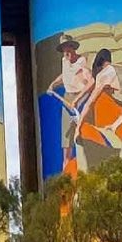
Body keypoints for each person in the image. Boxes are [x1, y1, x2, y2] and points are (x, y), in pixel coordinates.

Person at [47, 33, 95, 163]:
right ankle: (66, 169)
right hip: (67, 99)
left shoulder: (82, 62)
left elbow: (91, 82)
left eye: (68, 48)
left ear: (73, 48)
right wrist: (53, 84)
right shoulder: (64, 61)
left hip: (83, 99)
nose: (66, 52)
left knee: (86, 135)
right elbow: (65, 76)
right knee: (66, 139)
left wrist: (78, 99)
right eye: (63, 49)